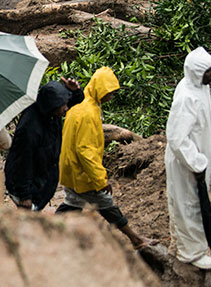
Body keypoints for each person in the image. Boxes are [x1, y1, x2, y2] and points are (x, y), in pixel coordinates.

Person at [55, 67, 157, 249]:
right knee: (106, 204)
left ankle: (45, 232)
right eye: (109, 92)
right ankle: (136, 240)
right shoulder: (87, 113)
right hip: (82, 172)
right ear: (99, 89)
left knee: (72, 204)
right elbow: (85, 150)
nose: (111, 96)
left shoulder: (84, 103)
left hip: (71, 168)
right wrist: (100, 178)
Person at [166, 47, 211, 269]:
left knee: (188, 203)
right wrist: (196, 162)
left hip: (196, 158)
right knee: (189, 205)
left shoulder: (198, 87)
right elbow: (176, 138)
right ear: (196, 72)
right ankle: (191, 253)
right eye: (208, 71)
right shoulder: (187, 97)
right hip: (187, 161)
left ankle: (180, 243)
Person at [5, 77, 83, 211]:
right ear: (52, 105)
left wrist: (74, 91)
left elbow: (74, 102)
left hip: (42, 179)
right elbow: (23, 163)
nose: (66, 108)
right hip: (27, 186)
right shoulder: (29, 128)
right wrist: (25, 196)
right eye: (62, 105)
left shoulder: (51, 113)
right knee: (27, 223)